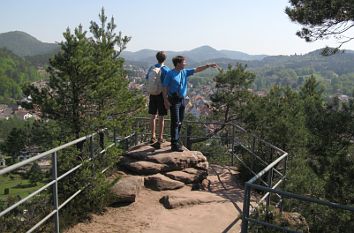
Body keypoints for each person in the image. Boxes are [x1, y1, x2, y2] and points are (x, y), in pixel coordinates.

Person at [162, 55, 218, 152]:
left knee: (180, 122)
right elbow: (164, 87)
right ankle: (174, 143)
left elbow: (197, 69)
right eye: (184, 62)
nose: (185, 63)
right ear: (178, 63)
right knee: (175, 121)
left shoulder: (184, 72)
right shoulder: (170, 74)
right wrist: (166, 101)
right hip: (173, 100)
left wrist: (208, 66)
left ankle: (176, 140)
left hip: (182, 100)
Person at [146, 51, 170, 148]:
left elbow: (147, 78)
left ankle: (152, 136)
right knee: (161, 117)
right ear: (165, 59)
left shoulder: (152, 68)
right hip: (161, 94)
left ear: (157, 58)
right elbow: (168, 83)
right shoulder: (166, 69)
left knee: (153, 116)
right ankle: (160, 137)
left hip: (152, 94)